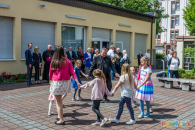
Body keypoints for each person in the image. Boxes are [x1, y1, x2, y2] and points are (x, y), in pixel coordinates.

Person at [49, 46, 80, 125]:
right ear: (63, 52)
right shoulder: (68, 60)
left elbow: (50, 73)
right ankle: (60, 116)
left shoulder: (54, 61)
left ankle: (61, 120)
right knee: (59, 101)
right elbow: (73, 73)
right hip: (66, 83)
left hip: (57, 82)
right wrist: (77, 81)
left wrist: (50, 80)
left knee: (58, 102)